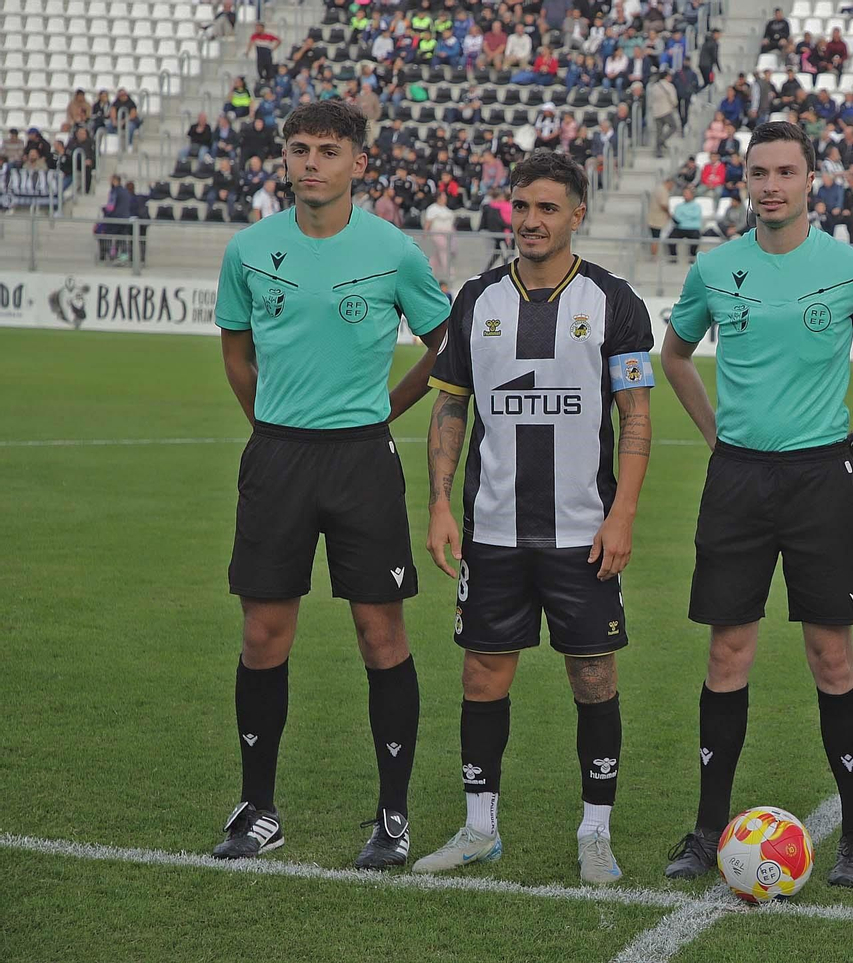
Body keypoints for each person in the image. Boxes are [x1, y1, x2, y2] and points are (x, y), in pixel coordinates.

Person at [210, 100, 453, 868]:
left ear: (358, 162)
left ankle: (392, 815)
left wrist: (388, 406)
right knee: (262, 635)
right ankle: (259, 808)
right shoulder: (249, 249)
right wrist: (270, 426)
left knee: (381, 636)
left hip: (361, 460)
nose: (312, 162)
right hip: (278, 459)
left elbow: (446, 347)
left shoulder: (394, 251)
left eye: (328, 150)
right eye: (300, 149)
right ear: (284, 157)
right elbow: (237, 352)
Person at [658, 121, 853, 887]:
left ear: (811, 179)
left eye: (785, 171)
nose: (770, 185)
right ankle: (705, 829)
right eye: (758, 171)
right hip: (738, 480)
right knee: (727, 652)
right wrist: (716, 434)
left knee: (832, 656)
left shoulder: (850, 269)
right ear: (745, 180)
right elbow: (675, 353)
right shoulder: (715, 267)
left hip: (820, 481)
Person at [410, 151, 655, 884]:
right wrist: (440, 502)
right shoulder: (478, 299)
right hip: (493, 529)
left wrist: (624, 514)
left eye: (547, 208)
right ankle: (479, 827)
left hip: (583, 532)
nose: (531, 221)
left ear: (577, 213)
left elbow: (636, 416)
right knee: (484, 673)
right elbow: (451, 403)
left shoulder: (613, 299)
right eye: (521, 207)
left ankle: (596, 833)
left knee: (594, 678)